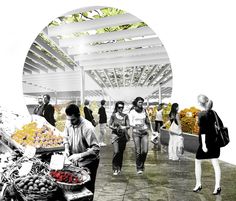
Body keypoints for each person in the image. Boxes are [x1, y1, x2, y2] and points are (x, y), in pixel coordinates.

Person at [64, 104, 100, 200]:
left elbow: (96, 149)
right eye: (69, 120)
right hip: (75, 162)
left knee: (87, 189)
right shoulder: (68, 123)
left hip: (89, 162)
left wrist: (80, 155)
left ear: (79, 115)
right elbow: (66, 138)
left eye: (73, 120)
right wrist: (67, 149)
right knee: (76, 188)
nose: (70, 123)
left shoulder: (88, 127)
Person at [193, 94, 222, 195]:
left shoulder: (201, 114)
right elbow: (220, 125)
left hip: (206, 142)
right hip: (215, 142)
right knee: (215, 163)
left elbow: (203, 131)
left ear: (201, 103)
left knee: (197, 161)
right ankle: (217, 186)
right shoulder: (214, 113)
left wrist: (204, 145)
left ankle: (198, 184)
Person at [129, 97, 150, 174]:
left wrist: (148, 118)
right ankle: (139, 167)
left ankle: (142, 163)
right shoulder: (132, 112)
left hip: (144, 132)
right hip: (136, 132)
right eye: (139, 102)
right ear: (136, 103)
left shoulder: (144, 110)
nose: (141, 104)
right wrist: (136, 124)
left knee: (145, 151)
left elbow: (147, 121)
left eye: (142, 102)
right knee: (138, 151)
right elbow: (130, 123)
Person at [109, 101, 130, 176]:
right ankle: (115, 168)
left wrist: (124, 127)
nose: (121, 109)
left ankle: (119, 167)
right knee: (116, 152)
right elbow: (109, 124)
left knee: (121, 153)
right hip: (115, 136)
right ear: (116, 107)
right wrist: (114, 128)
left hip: (123, 136)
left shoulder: (125, 116)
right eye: (119, 107)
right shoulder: (113, 116)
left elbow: (128, 126)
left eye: (122, 107)